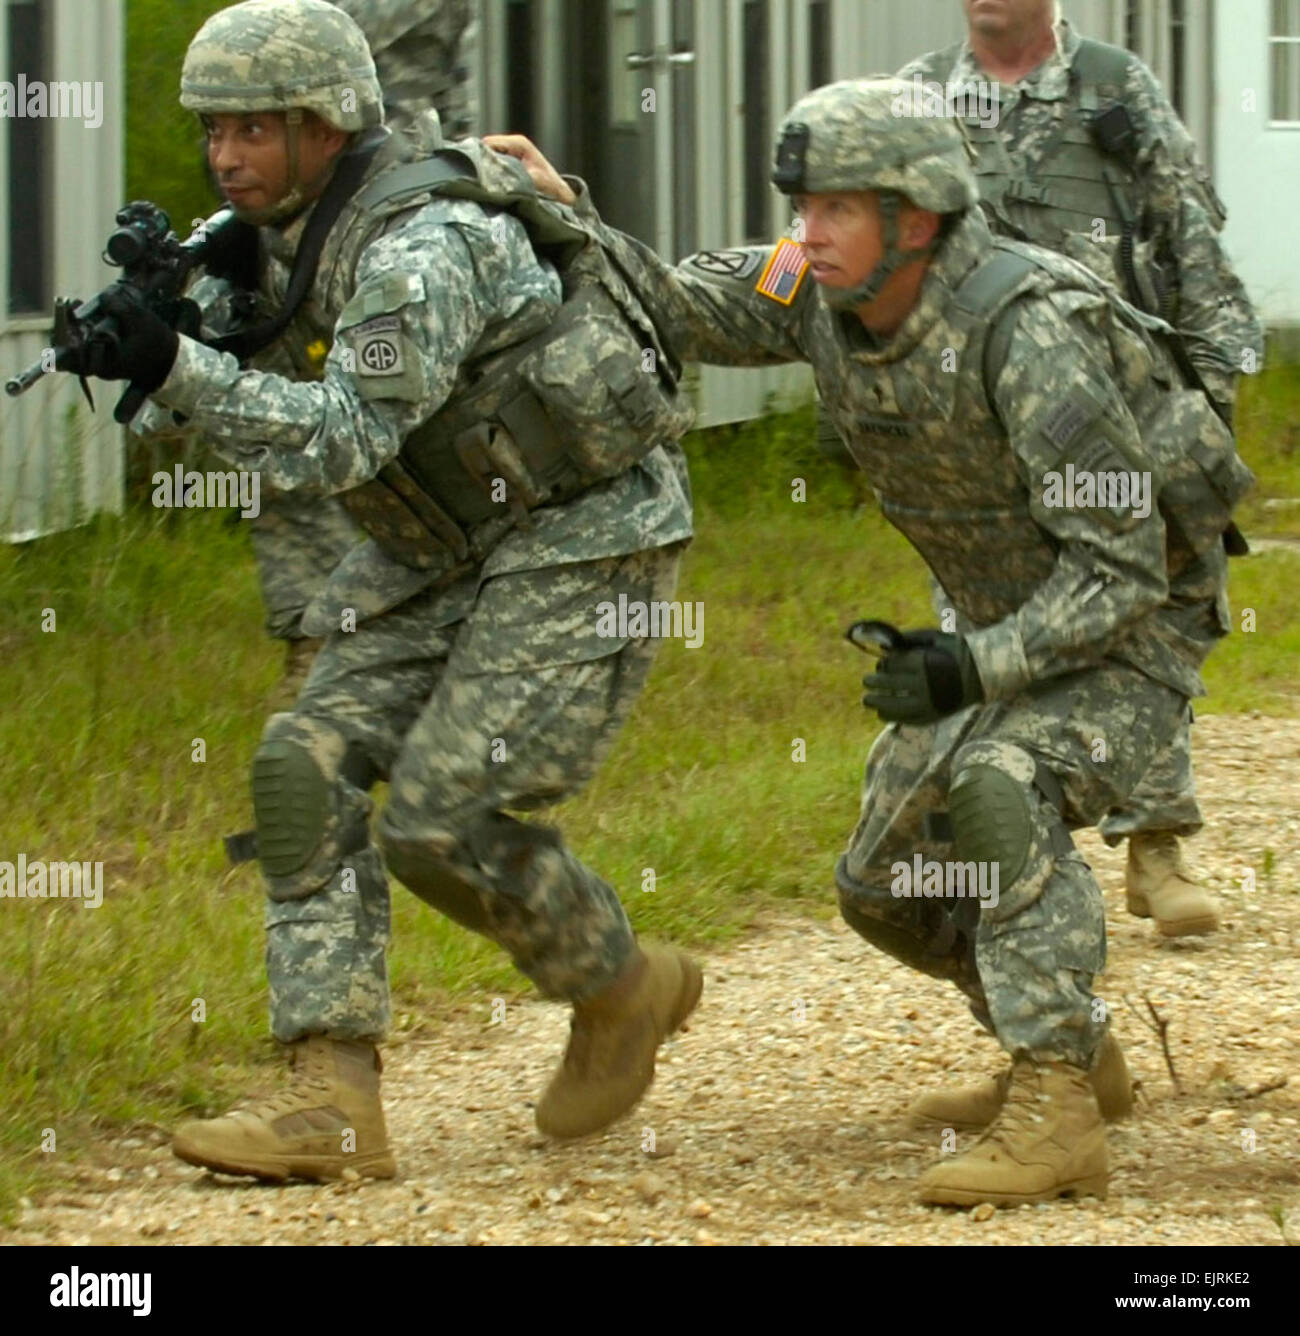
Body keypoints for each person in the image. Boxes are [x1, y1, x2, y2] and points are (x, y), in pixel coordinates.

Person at [487, 77, 1253, 1205]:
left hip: (1132, 630)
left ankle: (1054, 1104)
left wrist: (968, 668)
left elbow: (1122, 569)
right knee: (883, 886)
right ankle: (1083, 1047)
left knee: (999, 783)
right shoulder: (821, 287)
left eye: (838, 209)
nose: (808, 232)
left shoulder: (1028, 329)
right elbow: (676, 304)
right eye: (803, 205)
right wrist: (567, 214)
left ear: (918, 217)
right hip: (997, 620)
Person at [68, 0, 703, 1180]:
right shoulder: (260, 236)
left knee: (434, 819)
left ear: (326, 124)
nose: (226, 155)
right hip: (432, 539)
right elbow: (186, 433)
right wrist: (149, 351)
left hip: (578, 532)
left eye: (256, 129)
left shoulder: (418, 240)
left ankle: (620, 985)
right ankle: (332, 1103)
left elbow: (343, 438)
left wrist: (183, 368)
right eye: (214, 130)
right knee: (298, 767)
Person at [885, 0, 1264, 938]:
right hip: (977, 426)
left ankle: (1156, 846)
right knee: (989, 632)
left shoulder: (1113, 92)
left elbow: (1189, 241)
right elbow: (846, 253)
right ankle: (1014, 868)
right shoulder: (918, 103)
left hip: (1114, 411)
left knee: (1136, 603)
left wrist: (1208, 402)